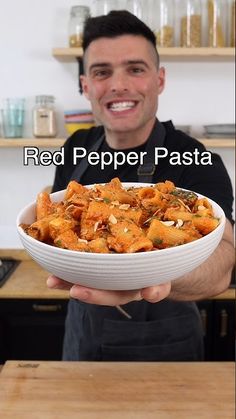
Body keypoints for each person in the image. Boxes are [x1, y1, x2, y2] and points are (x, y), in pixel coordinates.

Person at [47, 11, 234, 361]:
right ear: (86, 85)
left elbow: (222, 264)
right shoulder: (74, 149)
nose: (118, 85)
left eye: (135, 69)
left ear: (159, 80)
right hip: (83, 337)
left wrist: (144, 274)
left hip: (169, 344)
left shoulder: (193, 156)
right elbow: (57, 226)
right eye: (102, 72)